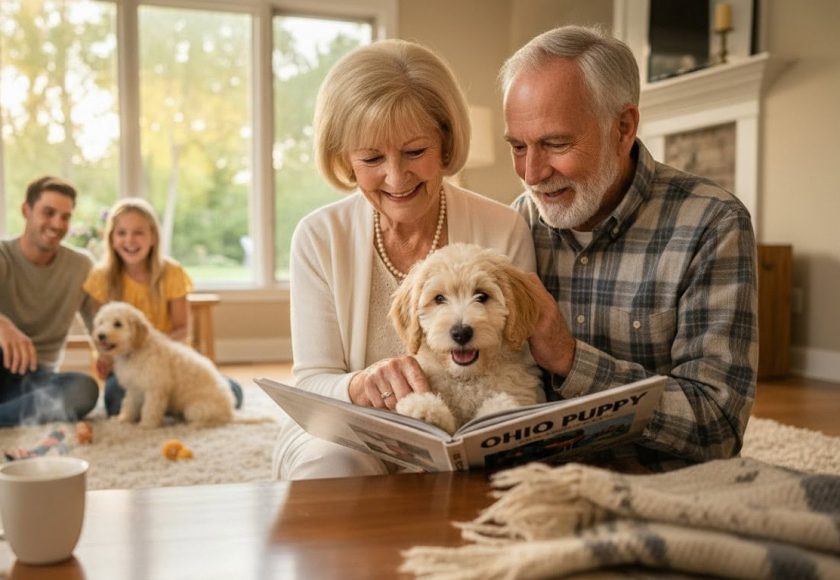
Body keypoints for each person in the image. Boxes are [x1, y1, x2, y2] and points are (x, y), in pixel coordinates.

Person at [274, 39, 537, 480]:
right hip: (347, 425)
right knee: (332, 470)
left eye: (416, 152)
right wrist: (360, 384)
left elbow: (519, 366)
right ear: (346, 160)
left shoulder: (503, 229)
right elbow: (313, 383)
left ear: (445, 142)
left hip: (469, 425)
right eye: (371, 158)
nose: (396, 178)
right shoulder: (319, 237)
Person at [501, 25, 758, 472]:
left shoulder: (712, 223)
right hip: (535, 484)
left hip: (659, 492)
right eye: (518, 147)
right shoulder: (515, 223)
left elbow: (716, 426)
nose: (532, 173)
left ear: (623, 128)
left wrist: (571, 360)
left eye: (556, 144)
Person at [83, 197, 242, 416]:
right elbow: (101, 330)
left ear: (153, 237)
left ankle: (173, 400)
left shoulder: (171, 273)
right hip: (124, 361)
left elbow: (182, 328)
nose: (129, 240)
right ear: (111, 238)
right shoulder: (101, 277)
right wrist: (105, 356)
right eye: (121, 233)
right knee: (115, 401)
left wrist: (149, 350)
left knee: (232, 393)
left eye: (138, 233)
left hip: (167, 360)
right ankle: (167, 404)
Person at [0, 176, 99, 426]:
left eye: (65, 217)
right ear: (26, 210)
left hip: (36, 378)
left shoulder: (81, 266)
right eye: (49, 213)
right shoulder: (3, 255)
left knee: (84, 389)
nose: (57, 224)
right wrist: (3, 324)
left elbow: (100, 325)